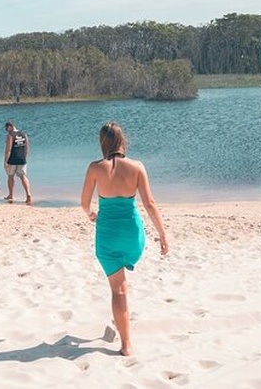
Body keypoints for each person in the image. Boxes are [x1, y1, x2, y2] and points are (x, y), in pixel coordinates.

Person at [80, 121, 169, 356]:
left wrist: (91, 215)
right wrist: (162, 234)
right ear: (123, 141)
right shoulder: (137, 167)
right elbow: (149, 204)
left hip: (107, 236)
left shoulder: (95, 168)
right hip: (132, 235)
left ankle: (126, 344)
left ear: (102, 143)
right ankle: (123, 327)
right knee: (122, 287)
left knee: (118, 290)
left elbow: (84, 204)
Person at [3, 121, 32, 205]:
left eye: (7, 128)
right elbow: (27, 147)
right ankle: (28, 194)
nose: (6, 130)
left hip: (12, 159)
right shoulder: (24, 134)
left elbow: (8, 149)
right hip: (22, 159)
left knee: (10, 176)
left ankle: (11, 195)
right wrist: (25, 157)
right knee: (23, 176)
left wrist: (5, 161)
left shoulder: (10, 136)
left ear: (11, 126)